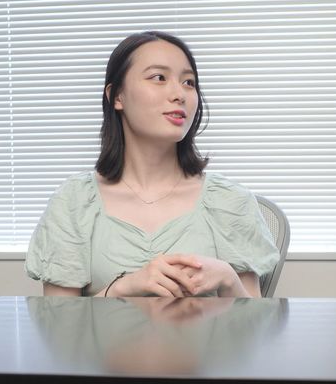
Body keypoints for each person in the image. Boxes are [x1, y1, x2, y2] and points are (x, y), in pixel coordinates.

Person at [25, 30, 279, 298]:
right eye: (159, 77)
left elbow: (253, 321)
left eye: (189, 82)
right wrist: (124, 288)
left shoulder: (231, 202)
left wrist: (228, 278)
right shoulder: (73, 203)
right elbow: (60, 320)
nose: (179, 94)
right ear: (117, 96)